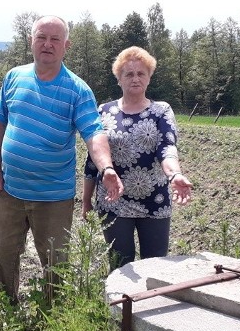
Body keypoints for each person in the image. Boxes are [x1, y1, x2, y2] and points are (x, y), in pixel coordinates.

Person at [0, 15, 124, 304]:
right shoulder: (13, 77)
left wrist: (106, 168)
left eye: (55, 39)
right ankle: (6, 306)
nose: (47, 44)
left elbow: (94, 133)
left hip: (53, 197)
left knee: (55, 261)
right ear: (31, 41)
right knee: (1, 251)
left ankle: (52, 315)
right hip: (10, 190)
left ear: (66, 46)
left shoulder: (77, 90)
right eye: (41, 37)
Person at [82, 46, 192, 270]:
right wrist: (85, 200)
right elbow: (93, 160)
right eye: (128, 74)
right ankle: (122, 306)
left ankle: (153, 305)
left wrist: (175, 174)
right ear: (119, 79)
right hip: (113, 202)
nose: (135, 78)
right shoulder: (104, 111)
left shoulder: (161, 111)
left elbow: (167, 147)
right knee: (121, 268)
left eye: (141, 73)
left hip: (155, 202)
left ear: (149, 78)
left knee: (155, 267)